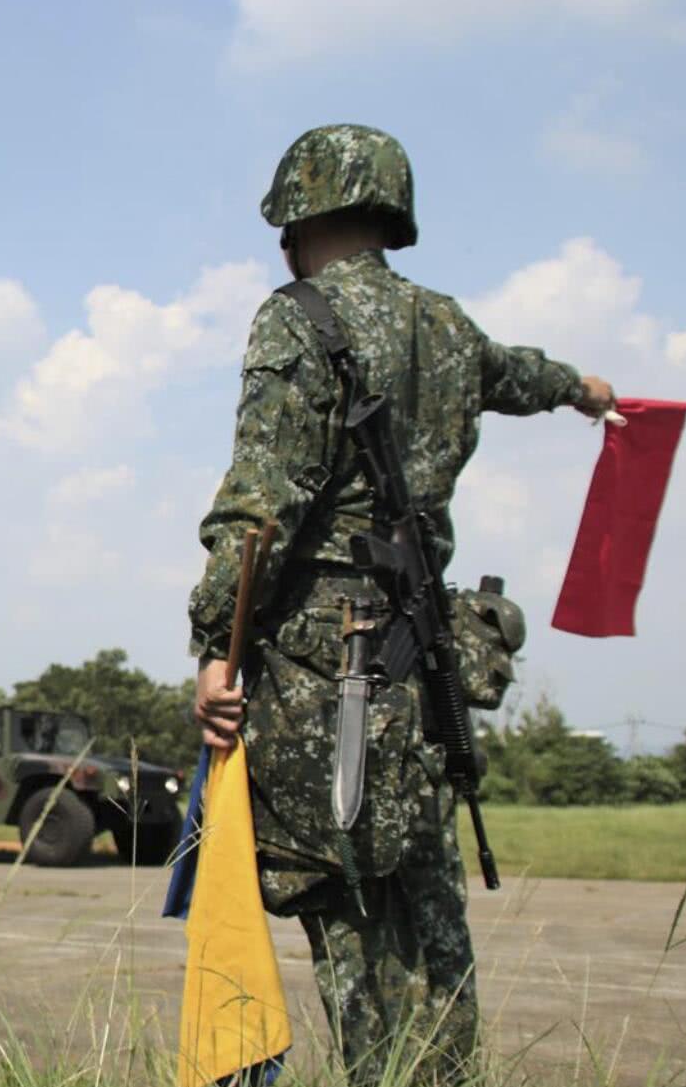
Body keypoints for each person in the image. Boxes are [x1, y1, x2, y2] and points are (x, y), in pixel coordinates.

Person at [185, 124, 616, 1084]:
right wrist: (582, 391)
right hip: (422, 671)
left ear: (299, 216)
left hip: (320, 676)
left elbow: (261, 511)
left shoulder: (295, 317)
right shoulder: (448, 326)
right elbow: (520, 375)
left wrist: (216, 646)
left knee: (349, 932)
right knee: (428, 924)